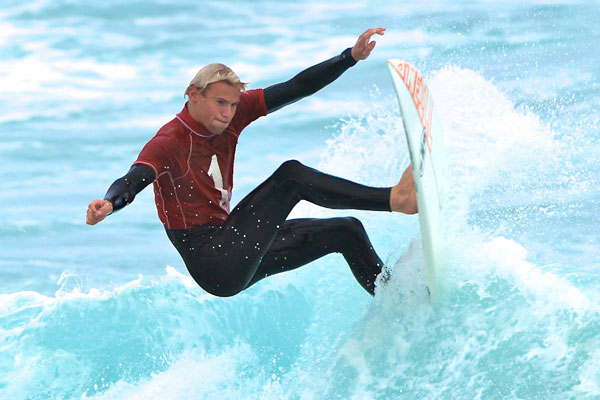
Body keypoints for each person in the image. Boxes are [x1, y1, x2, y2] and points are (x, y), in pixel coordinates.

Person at [86, 27, 417, 297]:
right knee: (292, 177)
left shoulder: (232, 115)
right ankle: (395, 199)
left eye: (232, 105)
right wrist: (109, 204)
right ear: (193, 94)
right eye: (219, 103)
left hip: (234, 245)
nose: (227, 113)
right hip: (212, 260)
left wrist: (349, 58)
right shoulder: (170, 142)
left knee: (346, 231)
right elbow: (135, 178)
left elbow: (296, 87)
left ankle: (399, 303)